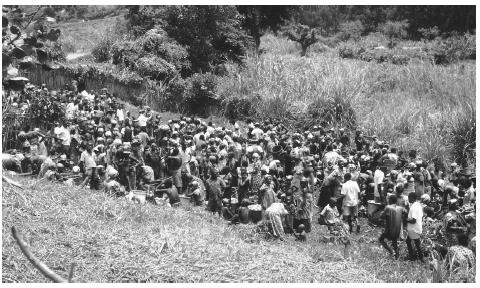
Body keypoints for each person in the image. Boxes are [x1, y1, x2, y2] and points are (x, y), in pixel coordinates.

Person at [379, 195, 406, 259]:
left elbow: (381, 217)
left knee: (381, 239)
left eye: (389, 199)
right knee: (394, 242)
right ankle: (397, 255)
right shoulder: (400, 208)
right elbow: (405, 212)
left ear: (390, 200)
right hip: (397, 230)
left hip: (390, 230)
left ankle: (391, 251)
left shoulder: (388, 207)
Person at [406, 192, 424, 262]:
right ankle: (419, 257)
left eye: (409, 198)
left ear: (412, 198)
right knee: (413, 242)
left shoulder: (414, 207)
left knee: (415, 243)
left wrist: (406, 220)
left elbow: (413, 220)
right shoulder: (418, 205)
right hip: (416, 227)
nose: (408, 199)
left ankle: (414, 257)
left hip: (413, 228)